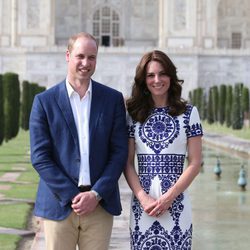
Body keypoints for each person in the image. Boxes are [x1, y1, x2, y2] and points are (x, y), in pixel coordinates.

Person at [29, 32, 128, 250]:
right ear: (68, 55)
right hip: (59, 204)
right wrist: (74, 196)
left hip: (99, 206)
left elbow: (119, 153)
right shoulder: (44, 102)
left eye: (91, 57)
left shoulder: (112, 100)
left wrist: (95, 194)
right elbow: (40, 157)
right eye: (80, 56)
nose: (86, 63)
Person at [124, 50, 203, 249]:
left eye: (162, 74)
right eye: (150, 75)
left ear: (171, 76)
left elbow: (194, 163)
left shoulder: (189, 113)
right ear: (143, 80)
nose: (157, 80)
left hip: (176, 206)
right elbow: (127, 162)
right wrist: (143, 197)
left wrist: (169, 197)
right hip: (144, 207)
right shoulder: (134, 114)